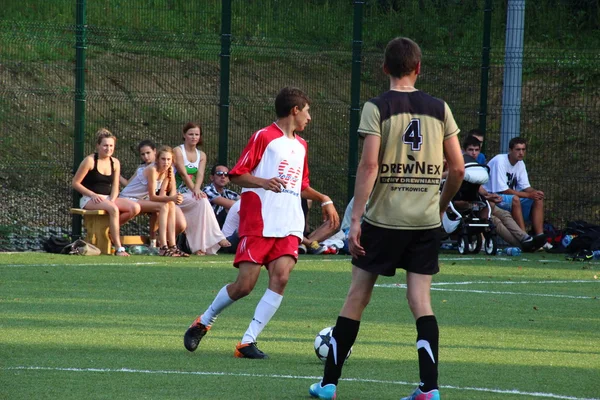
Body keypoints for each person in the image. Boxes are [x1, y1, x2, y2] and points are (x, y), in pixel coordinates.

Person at [309, 37, 465, 400]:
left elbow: (369, 165)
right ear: (419, 68)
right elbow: (457, 168)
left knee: (356, 298)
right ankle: (429, 388)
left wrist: (357, 218)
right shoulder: (441, 109)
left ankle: (329, 384)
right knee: (421, 303)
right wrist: (439, 207)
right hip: (424, 223)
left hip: (383, 221)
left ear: (384, 69)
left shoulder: (377, 106)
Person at [183, 87, 340, 359]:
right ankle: (204, 320)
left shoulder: (301, 146)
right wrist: (263, 182)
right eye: (307, 111)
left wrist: (324, 198)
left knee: (281, 277)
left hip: (290, 222)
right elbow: (237, 175)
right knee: (244, 286)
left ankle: (247, 342)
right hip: (260, 221)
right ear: (295, 110)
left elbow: (300, 185)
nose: (309, 118)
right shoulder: (264, 137)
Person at [72, 128, 141, 256]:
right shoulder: (90, 161)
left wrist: (112, 199)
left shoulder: (115, 162)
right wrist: (92, 194)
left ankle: (108, 230)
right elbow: (75, 183)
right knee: (114, 210)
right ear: (98, 145)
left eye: (111, 146)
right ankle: (119, 248)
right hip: (90, 198)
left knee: (135, 207)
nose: (108, 148)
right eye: (105, 145)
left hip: (108, 198)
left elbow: (115, 185)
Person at [119, 144, 188, 256]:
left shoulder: (168, 170)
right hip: (128, 198)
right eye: (163, 159)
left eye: (169, 159)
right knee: (163, 206)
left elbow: (163, 195)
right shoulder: (152, 169)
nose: (166, 162)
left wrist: (175, 198)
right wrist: (172, 198)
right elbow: (153, 197)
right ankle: (163, 246)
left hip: (142, 199)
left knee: (169, 204)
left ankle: (173, 246)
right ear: (157, 159)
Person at [173, 122, 231, 255]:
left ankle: (199, 248)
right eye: (191, 134)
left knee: (202, 201)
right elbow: (182, 172)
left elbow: (200, 174)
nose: (194, 137)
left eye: (197, 134)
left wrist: (197, 190)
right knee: (202, 201)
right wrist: (195, 190)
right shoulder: (178, 150)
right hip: (176, 193)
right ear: (184, 135)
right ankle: (218, 237)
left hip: (189, 193)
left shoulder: (202, 155)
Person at [483, 137, 546, 240]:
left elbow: (526, 187)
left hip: (508, 196)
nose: (521, 152)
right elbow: (503, 190)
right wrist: (529, 195)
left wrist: (535, 192)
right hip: (493, 196)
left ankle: (540, 236)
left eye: (523, 149)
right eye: (518, 149)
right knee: (515, 199)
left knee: (538, 199)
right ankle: (524, 237)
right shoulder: (500, 160)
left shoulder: (520, 164)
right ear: (510, 150)